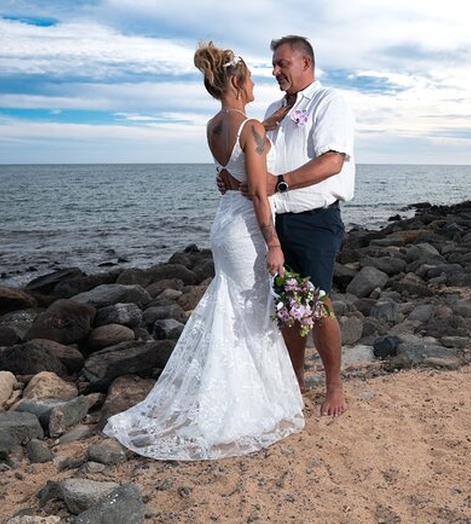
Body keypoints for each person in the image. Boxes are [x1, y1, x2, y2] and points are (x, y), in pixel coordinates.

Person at [103, 41, 304, 461]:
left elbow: (239, 157)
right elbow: (259, 193)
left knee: (231, 307)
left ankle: (224, 391)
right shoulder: (249, 127)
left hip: (222, 224)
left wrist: (271, 121)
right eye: (249, 79)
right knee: (248, 314)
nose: (254, 84)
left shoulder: (215, 125)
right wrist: (274, 242)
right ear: (235, 81)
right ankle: (239, 406)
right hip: (246, 228)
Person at [220, 35, 356, 417]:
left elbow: (332, 162)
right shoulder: (273, 110)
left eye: (282, 64)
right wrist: (236, 183)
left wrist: (279, 182)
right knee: (288, 307)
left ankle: (333, 385)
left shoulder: (330, 102)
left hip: (316, 221)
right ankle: (294, 382)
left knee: (318, 304)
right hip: (277, 223)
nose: (275, 71)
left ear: (305, 64)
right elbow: (259, 167)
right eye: (274, 64)